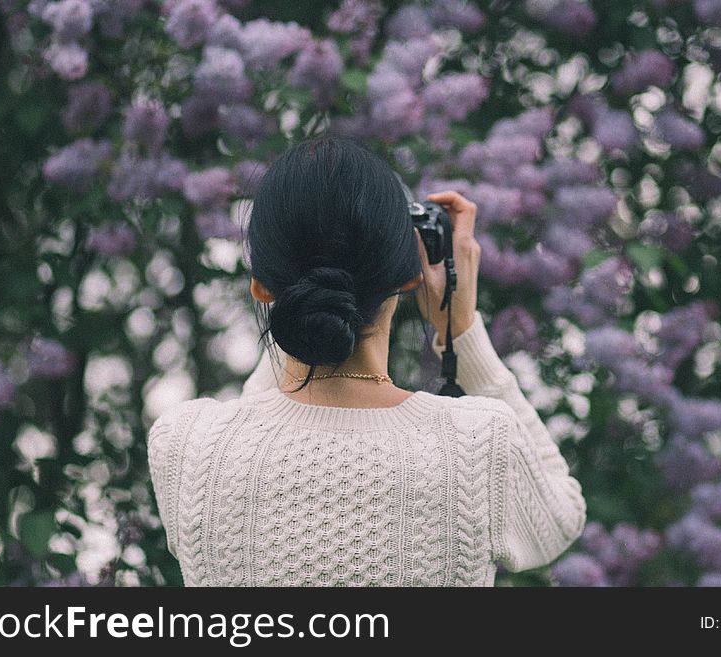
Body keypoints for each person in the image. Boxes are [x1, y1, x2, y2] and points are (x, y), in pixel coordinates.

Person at [146, 136, 586, 586]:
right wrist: (463, 329)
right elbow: (560, 517)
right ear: (412, 275)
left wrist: (299, 305)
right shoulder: (479, 444)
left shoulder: (187, 445)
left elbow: (259, 438)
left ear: (260, 286)